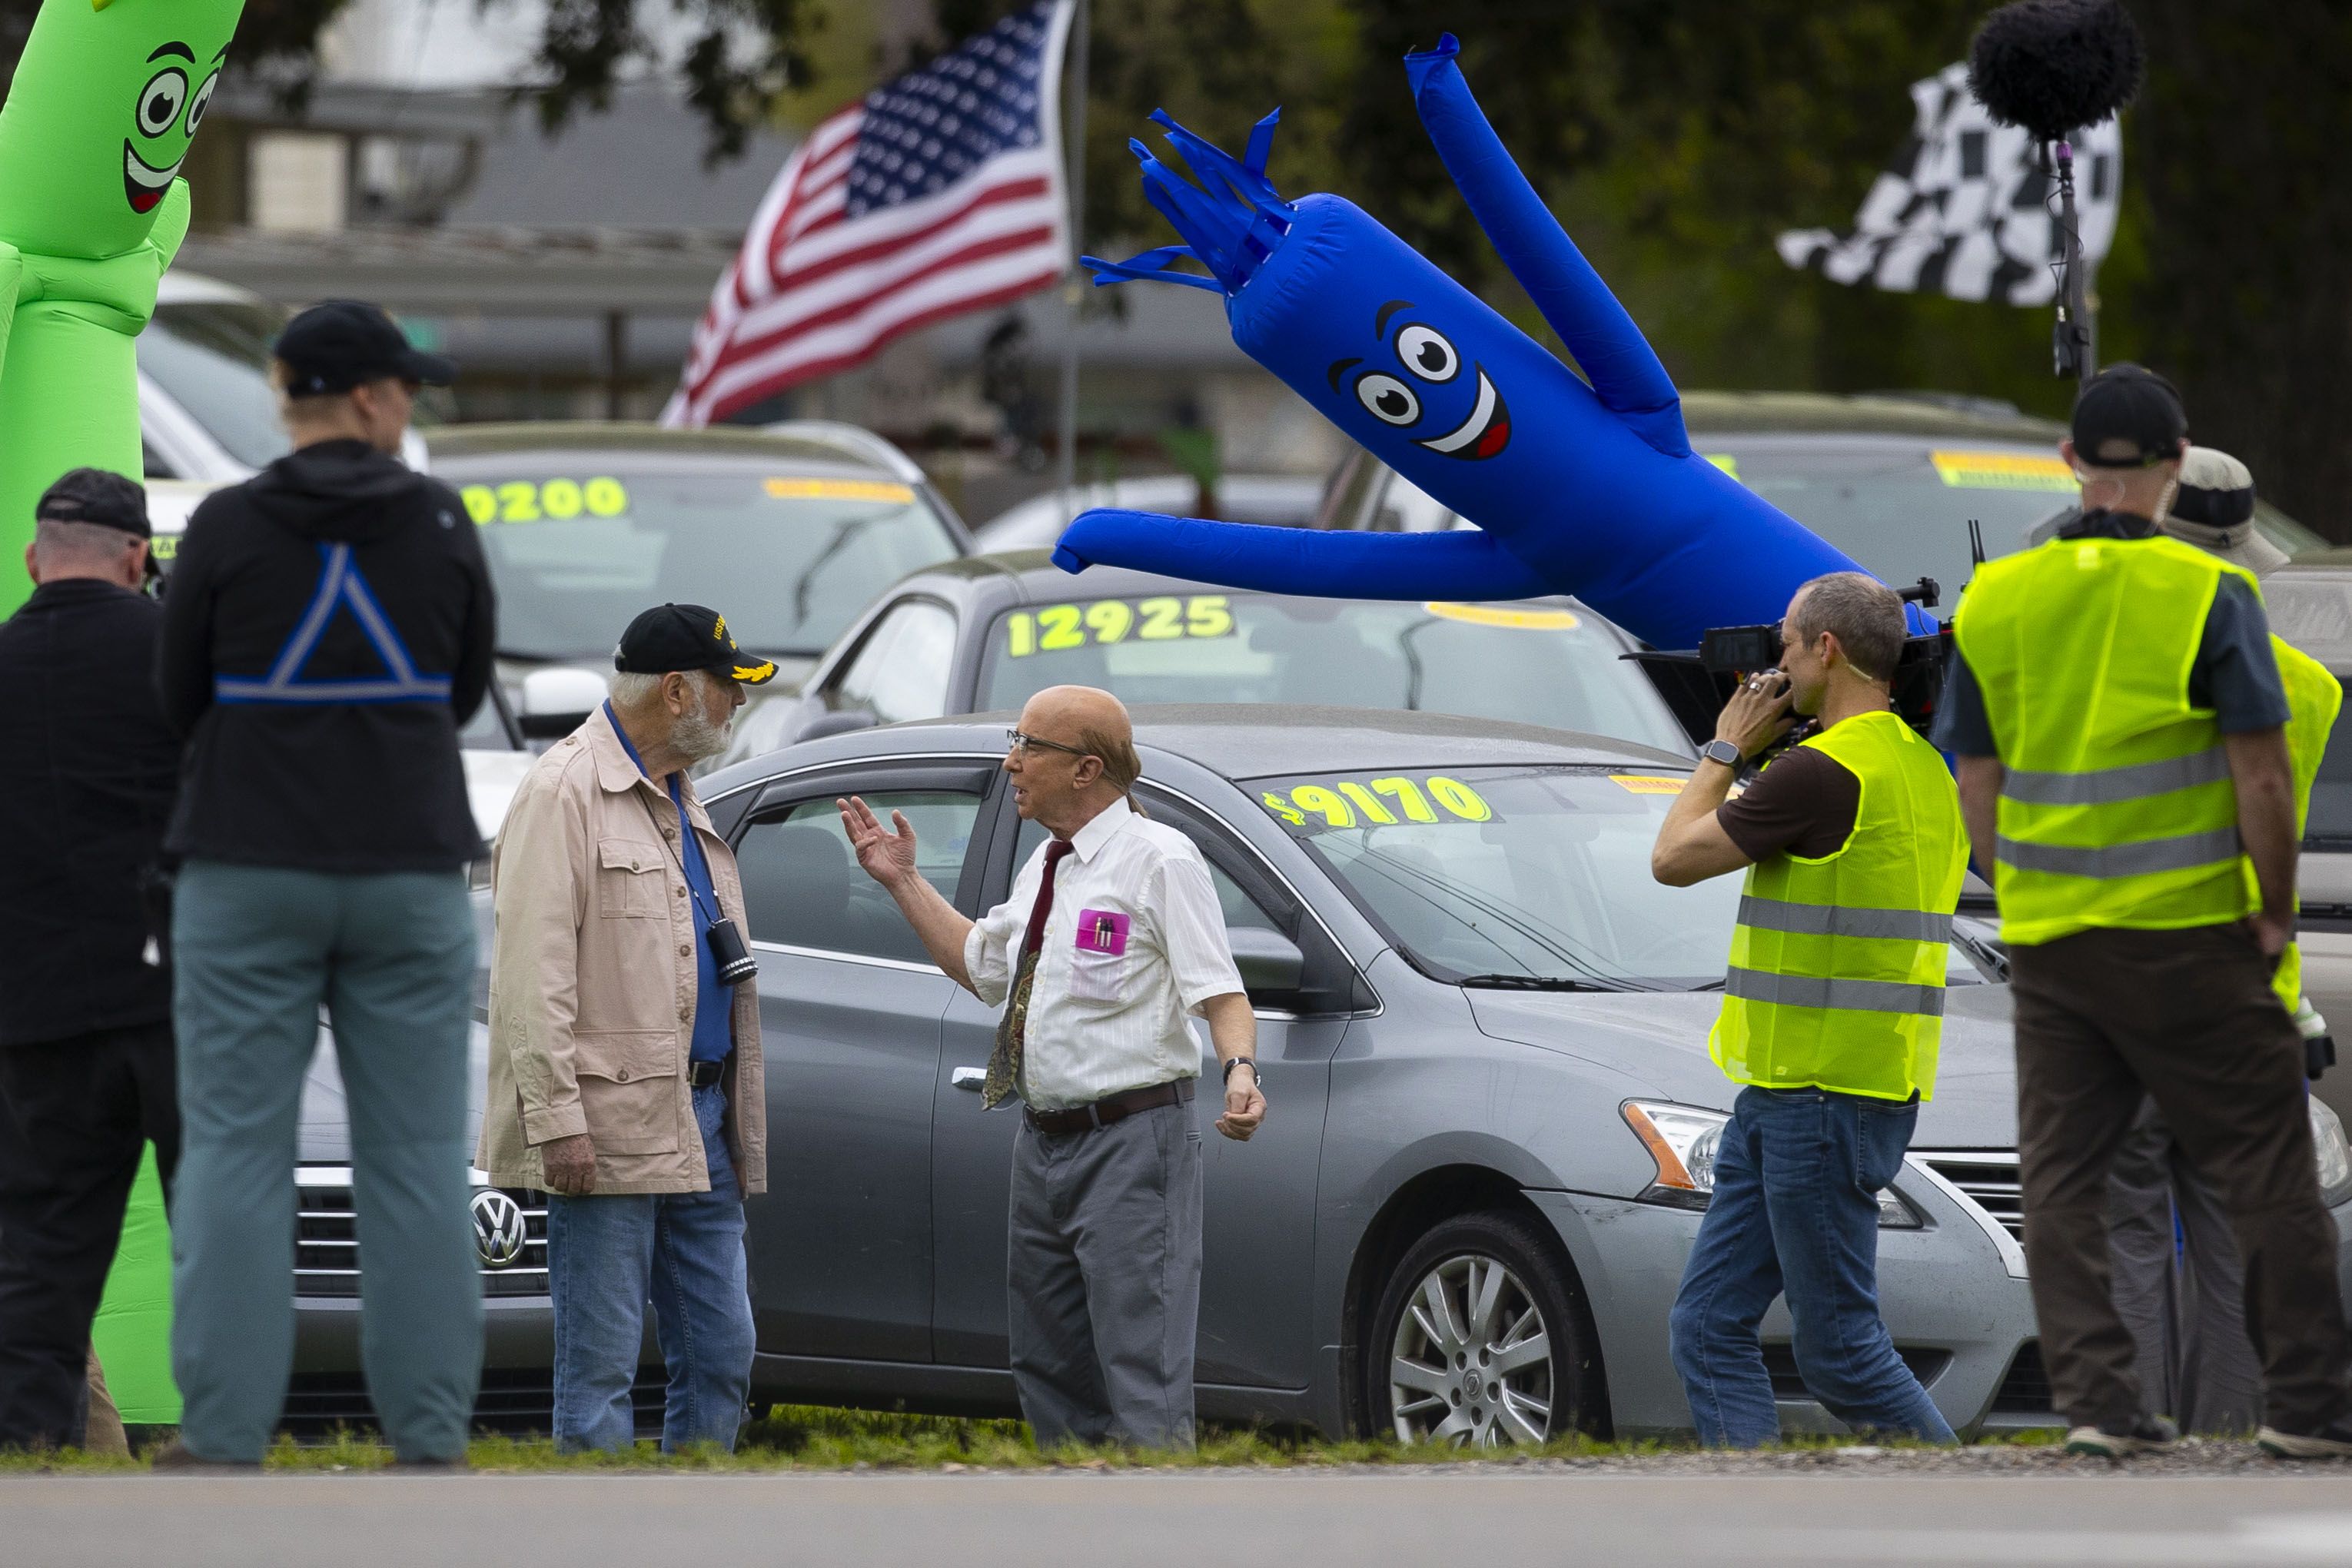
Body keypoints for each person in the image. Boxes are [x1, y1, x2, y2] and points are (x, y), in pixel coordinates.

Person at [1938, 363, 2352, 1460]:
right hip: (2194, 936)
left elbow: (1974, 783)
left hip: (2056, 941)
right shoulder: (2211, 596)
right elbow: (2260, 776)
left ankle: (2101, 1408)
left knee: (2066, 1180)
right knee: (2266, 1172)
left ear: (2069, 464)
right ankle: (2308, 1408)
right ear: (2172, 468)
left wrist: (2021, 883)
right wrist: (2269, 911)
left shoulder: (1998, 599)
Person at [153, 301, 494, 1469]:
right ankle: (431, 1437)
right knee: (415, 1160)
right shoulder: (442, 521)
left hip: (246, 866)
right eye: (403, 391)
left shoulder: (226, 526)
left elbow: (179, 692)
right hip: (406, 868)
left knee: (237, 1152)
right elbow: (457, 690)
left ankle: (225, 1436)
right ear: (363, 400)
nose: (411, 410)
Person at [841, 686, 1264, 1450]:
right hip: (1043, 1143)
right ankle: (1076, 1533)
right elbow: (983, 968)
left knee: (1141, 1369)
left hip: (1134, 1142)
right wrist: (902, 881)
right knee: (1047, 1366)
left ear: (1086, 768)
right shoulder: (1048, 863)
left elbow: (1221, 992)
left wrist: (1240, 1070)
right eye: (1017, 740)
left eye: (1030, 745)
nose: (1012, 761)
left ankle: (1161, 1537)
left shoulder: (1159, 860)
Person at [1650, 573, 1966, 1447]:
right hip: (1809, 1088)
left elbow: (1673, 858)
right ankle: (1751, 1526)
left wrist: (1724, 748)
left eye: (1785, 644)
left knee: (1841, 1351)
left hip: (1821, 1095)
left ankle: (1978, 1512)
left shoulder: (1820, 772)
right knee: (1708, 1326)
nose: (1775, 663)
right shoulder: (1919, 764)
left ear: (1826, 649)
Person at [477, 604, 774, 1454]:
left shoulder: (680, 793)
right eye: (728, 688)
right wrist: (558, 1119)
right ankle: (593, 1540)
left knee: (723, 1355)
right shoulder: (564, 789)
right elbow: (531, 980)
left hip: (701, 1124)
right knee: (601, 1371)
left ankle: (696, 1535)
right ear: (678, 691)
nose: (737, 706)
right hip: (606, 1130)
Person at [2103, 445, 2340, 1437]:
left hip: (2135, 984)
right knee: (2236, 1233)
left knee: (2127, 1227)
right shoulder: (2309, 686)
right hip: (2250, 995)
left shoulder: (2122, 674)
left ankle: (2135, 1436)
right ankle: (2231, 1441)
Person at [0, 470, 181, 1452]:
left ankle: (27, 1469)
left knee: (39, 1259)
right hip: (176, 999)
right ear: (138, 556)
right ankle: (229, 1448)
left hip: (33, 1018)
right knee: (212, 1230)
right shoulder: (173, 658)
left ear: (34, 560)